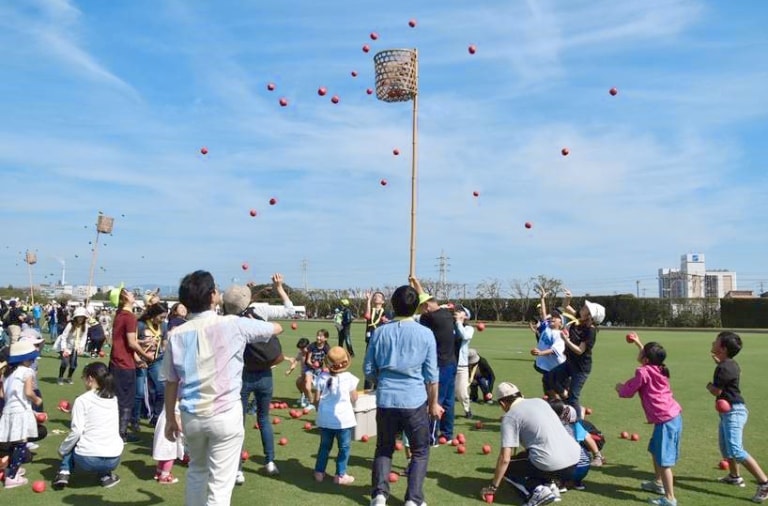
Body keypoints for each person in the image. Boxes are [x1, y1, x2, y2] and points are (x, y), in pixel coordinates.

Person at [161, 270, 283, 506]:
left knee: (197, 471)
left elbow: (171, 382)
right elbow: (276, 328)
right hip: (225, 413)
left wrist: (169, 418)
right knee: (220, 484)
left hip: (191, 415)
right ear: (213, 295)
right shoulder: (232, 324)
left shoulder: (176, 334)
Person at [364, 284, 443, 506]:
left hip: (387, 398)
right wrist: (433, 403)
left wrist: (384, 381)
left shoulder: (380, 332)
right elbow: (432, 375)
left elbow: (369, 369)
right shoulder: (425, 333)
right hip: (414, 399)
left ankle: (379, 495)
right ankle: (413, 499)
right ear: (417, 306)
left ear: (392, 305)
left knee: (384, 447)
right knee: (419, 450)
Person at [223, 273, 294, 484]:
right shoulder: (259, 310)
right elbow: (290, 310)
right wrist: (279, 287)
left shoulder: (228, 321)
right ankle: (270, 462)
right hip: (265, 373)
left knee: (239, 423)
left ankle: (237, 469)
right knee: (264, 419)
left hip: (241, 375)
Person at [480, 382, 580, 506]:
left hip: (552, 463)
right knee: (528, 457)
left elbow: (505, 459)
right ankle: (551, 485)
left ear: (502, 403)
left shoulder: (510, 417)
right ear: (521, 395)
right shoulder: (540, 402)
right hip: (574, 461)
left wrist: (493, 487)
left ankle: (536, 492)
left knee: (508, 469)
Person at [617, 334, 682, 506]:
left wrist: (620, 388)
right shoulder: (659, 368)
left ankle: (670, 498)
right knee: (655, 450)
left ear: (645, 359)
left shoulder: (643, 372)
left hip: (666, 420)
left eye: (642, 352)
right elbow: (647, 359)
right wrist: (638, 343)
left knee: (664, 460)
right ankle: (658, 483)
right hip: (669, 418)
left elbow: (628, 392)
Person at [706, 331, 768, 503]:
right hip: (729, 411)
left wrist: (709, 386)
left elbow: (716, 391)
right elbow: (728, 377)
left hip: (733, 411)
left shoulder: (723, 368)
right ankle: (734, 476)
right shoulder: (730, 364)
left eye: (716, 341)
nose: (713, 342)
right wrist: (720, 365)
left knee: (735, 449)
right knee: (726, 447)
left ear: (723, 348)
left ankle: (764, 483)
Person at [52, 362, 123, 489]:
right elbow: (97, 417)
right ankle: (105, 476)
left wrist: (62, 450)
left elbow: (77, 431)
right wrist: (72, 411)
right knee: (102, 435)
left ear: (90, 379)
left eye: (83, 378)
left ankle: (64, 472)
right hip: (114, 458)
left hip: (88, 459)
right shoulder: (113, 399)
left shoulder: (82, 400)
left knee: (73, 440)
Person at [411, 276, 458, 443]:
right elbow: (425, 298)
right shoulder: (445, 313)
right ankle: (447, 433)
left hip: (439, 365)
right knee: (449, 400)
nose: (421, 312)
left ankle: (432, 437)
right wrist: (416, 283)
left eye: (421, 308)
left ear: (426, 307)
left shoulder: (428, 318)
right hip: (452, 363)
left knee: (435, 400)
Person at [108, 285, 155, 442]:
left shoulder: (120, 315)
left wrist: (138, 358)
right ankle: (121, 433)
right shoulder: (129, 317)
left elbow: (125, 343)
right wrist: (146, 356)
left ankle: (115, 431)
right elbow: (131, 343)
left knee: (116, 397)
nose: (131, 292)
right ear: (124, 298)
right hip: (124, 365)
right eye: (127, 292)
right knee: (126, 399)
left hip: (116, 362)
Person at [313, 346, 359, 485]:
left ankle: (319, 472)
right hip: (343, 420)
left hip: (325, 418)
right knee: (344, 448)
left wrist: (319, 408)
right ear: (344, 363)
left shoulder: (321, 377)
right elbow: (354, 398)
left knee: (324, 446)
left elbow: (316, 399)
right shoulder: (349, 378)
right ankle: (340, 475)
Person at [0, 341, 42, 488]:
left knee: (13, 443)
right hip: (21, 412)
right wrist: (37, 400)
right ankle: (12, 477)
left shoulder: (7, 374)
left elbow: (2, 394)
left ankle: (11, 469)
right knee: (20, 444)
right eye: (31, 359)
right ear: (25, 360)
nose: (32, 361)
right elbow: (29, 392)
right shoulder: (26, 372)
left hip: (8, 412)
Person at [561, 295, 605, 419]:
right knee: (550, 379)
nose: (583, 307)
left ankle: (578, 425)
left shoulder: (590, 331)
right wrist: (567, 297)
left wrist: (566, 340)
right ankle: (564, 410)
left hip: (580, 369)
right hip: (570, 363)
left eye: (587, 307)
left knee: (573, 397)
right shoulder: (580, 318)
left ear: (590, 316)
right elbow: (565, 306)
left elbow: (580, 350)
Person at [133, 303, 168, 429]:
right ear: (153, 314)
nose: (163, 320)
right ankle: (135, 419)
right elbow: (132, 342)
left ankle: (156, 417)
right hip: (140, 360)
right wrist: (137, 358)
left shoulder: (163, 326)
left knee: (162, 390)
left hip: (156, 360)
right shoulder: (140, 325)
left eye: (165, 317)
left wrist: (163, 350)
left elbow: (164, 341)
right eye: (161, 317)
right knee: (140, 393)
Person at [547, 400, 592, 491]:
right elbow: (588, 438)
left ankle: (562, 484)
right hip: (585, 467)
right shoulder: (576, 426)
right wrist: (597, 455)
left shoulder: (560, 429)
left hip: (571, 469)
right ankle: (577, 483)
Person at [531, 291, 567, 399]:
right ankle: (554, 403)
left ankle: (570, 405)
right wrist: (542, 299)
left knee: (562, 391)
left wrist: (541, 352)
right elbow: (543, 313)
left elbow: (554, 350)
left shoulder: (559, 334)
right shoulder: (546, 328)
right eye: (552, 317)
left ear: (561, 323)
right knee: (548, 386)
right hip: (547, 367)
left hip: (559, 367)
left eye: (556, 318)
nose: (552, 318)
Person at [53, 306, 90, 385]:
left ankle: (69, 377)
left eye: (82, 317)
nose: (80, 319)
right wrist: (64, 349)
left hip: (75, 347)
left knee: (73, 364)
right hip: (66, 345)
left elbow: (84, 337)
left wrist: (81, 347)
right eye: (78, 317)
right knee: (65, 362)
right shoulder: (70, 325)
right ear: (75, 317)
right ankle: (60, 377)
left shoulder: (85, 326)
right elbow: (64, 337)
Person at [152, 400, 184, 485]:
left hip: (163, 424)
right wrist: (183, 430)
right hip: (170, 428)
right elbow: (176, 419)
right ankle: (164, 476)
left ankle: (159, 471)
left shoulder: (168, 398)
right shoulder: (177, 403)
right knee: (170, 453)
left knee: (163, 451)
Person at [453, 304, 475, 419]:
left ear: (465, 316)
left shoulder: (469, 328)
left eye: (460, 311)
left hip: (461, 366)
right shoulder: (450, 326)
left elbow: (465, 336)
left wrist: (458, 323)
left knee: (461, 393)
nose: (456, 311)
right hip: (448, 363)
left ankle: (467, 409)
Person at [364, 291, 388, 390]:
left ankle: (378, 387)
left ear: (382, 301)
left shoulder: (386, 312)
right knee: (369, 364)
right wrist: (368, 301)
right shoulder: (372, 310)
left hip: (381, 342)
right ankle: (367, 387)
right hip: (370, 341)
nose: (376, 298)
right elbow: (367, 316)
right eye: (375, 296)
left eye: (378, 296)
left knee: (379, 365)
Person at [301, 329, 330, 410]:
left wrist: (327, 368)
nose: (318, 337)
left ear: (326, 338)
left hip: (319, 369)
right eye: (317, 335)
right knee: (307, 387)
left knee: (321, 387)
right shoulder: (312, 346)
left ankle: (317, 403)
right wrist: (313, 365)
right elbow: (308, 360)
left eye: (320, 336)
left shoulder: (326, 347)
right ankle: (311, 402)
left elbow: (327, 360)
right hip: (309, 368)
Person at [287, 337, 311, 406]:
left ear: (308, 346)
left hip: (312, 375)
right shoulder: (300, 354)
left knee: (305, 382)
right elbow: (295, 362)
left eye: (303, 348)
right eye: (300, 348)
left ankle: (308, 400)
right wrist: (290, 370)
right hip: (303, 375)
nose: (301, 350)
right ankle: (303, 395)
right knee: (298, 382)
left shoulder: (311, 354)